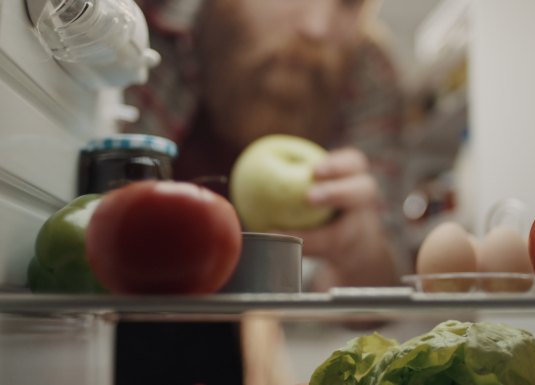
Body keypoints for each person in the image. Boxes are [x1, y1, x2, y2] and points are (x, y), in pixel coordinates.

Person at [117, 0, 411, 384]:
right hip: (115, 309)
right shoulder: (139, 23)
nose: (317, 27)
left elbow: (370, 306)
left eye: (349, 4)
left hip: (227, 319)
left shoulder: (363, 68)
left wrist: (358, 245)